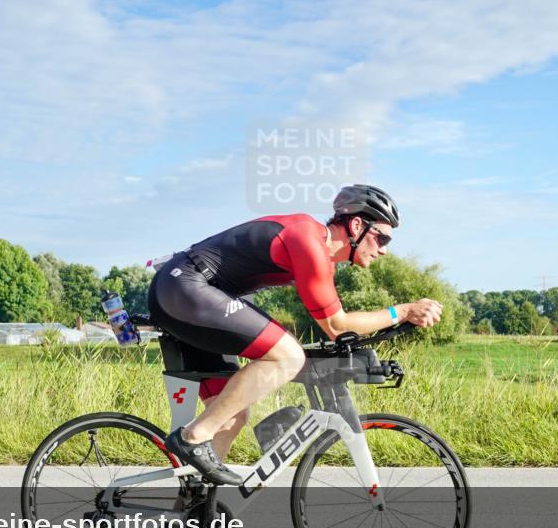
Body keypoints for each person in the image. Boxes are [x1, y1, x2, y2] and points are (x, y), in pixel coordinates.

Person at [150, 184, 443, 485]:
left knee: (230, 415)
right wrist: (403, 312)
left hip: (200, 296)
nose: (383, 249)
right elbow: (337, 326)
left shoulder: (320, 256)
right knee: (288, 356)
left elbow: (336, 328)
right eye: (381, 238)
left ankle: (190, 517)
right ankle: (193, 438)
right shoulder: (308, 240)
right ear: (357, 225)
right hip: (186, 287)